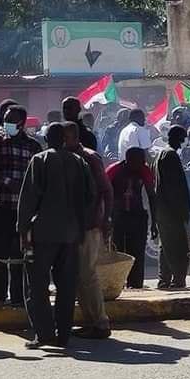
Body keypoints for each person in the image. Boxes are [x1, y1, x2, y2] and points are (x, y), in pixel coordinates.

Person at [17, 122, 92, 348]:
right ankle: (63, 334)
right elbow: (90, 197)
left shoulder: (39, 160)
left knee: (37, 286)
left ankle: (44, 333)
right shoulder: (80, 162)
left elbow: (29, 197)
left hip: (43, 233)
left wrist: (22, 229)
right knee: (67, 285)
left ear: (47, 139)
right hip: (71, 234)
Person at [0, 105, 41, 308]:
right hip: (1, 204)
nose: (7, 123)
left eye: (11, 119)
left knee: (20, 253)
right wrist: (4, 181)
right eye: (5, 118)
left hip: (23, 209)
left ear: (21, 123)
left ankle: (18, 296)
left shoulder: (33, 146)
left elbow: (39, 176)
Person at [64, 122, 113, 339]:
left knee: (87, 274)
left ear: (74, 138)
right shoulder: (68, 158)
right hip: (75, 225)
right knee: (79, 275)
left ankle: (100, 323)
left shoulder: (89, 158)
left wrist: (105, 219)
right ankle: (91, 321)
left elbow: (105, 190)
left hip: (89, 225)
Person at [107, 147, 157, 289]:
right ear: (129, 160)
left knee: (137, 253)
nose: (142, 163)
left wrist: (154, 222)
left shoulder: (144, 171)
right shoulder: (114, 170)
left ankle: (136, 285)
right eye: (139, 161)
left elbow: (152, 196)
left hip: (137, 217)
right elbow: (104, 194)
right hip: (118, 217)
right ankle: (117, 284)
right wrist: (106, 219)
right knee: (118, 253)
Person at [154, 126, 190, 290]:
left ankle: (164, 279)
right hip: (172, 210)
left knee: (166, 246)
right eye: (184, 137)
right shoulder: (170, 155)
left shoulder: (161, 155)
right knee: (178, 246)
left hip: (163, 210)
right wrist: (182, 210)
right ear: (180, 138)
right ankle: (177, 280)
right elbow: (174, 188)